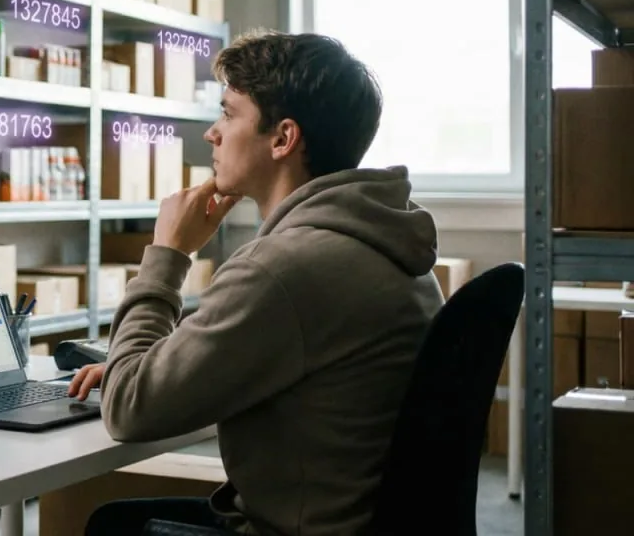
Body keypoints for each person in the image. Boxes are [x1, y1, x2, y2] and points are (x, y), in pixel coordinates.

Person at [69, 31, 444, 536]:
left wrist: (169, 255)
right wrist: (139, 364)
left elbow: (128, 409)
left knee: (115, 528)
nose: (212, 134)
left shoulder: (283, 269)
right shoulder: (384, 241)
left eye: (228, 113)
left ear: (283, 138)